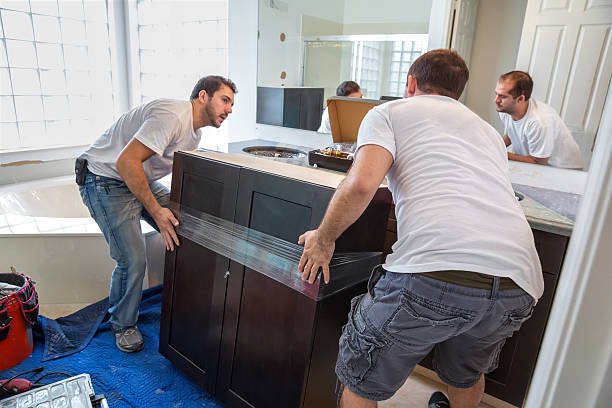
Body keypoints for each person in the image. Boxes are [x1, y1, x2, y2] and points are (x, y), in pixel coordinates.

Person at [298, 50, 542, 408]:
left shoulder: (389, 112)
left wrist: (323, 238)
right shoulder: (488, 132)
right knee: (466, 374)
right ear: (457, 92)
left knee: (360, 376)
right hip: (518, 284)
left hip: (435, 273)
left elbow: (362, 184)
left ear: (411, 83)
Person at [76, 75, 236, 353]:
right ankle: (123, 325)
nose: (230, 109)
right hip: (104, 179)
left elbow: (180, 180)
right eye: (225, 100)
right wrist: (156, 212)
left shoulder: (195, 134)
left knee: (185, 222)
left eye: (232, 104)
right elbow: (126, 162)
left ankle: (186, 301)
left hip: (133, 176)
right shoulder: (172, 116)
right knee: (133, 259)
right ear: (202, 96)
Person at [495, 70, 583, 169]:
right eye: (496, 94)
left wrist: (503, 154)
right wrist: (495, 146)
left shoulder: (539, 122)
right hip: (540, 164)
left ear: (520, 99)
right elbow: (513, 132)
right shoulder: (506, 110)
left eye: (502, 96)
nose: (496, 100)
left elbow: (538, 162)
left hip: (563, 170)